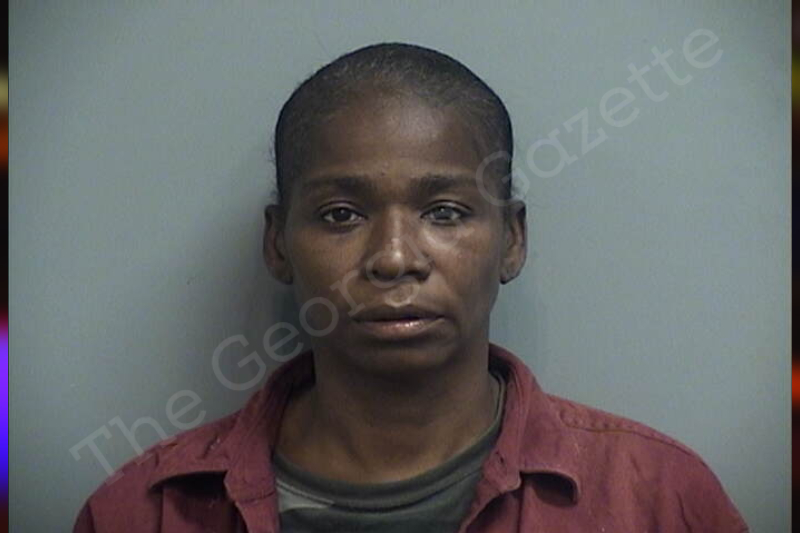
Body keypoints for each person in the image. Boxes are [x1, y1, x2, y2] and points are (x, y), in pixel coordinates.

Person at [73, 43, 748, 532]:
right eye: (342, 214)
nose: (394, 258)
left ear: (512, 239)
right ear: (278, 243)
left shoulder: (657, 499)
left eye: (445, 212)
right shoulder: (142, 511)